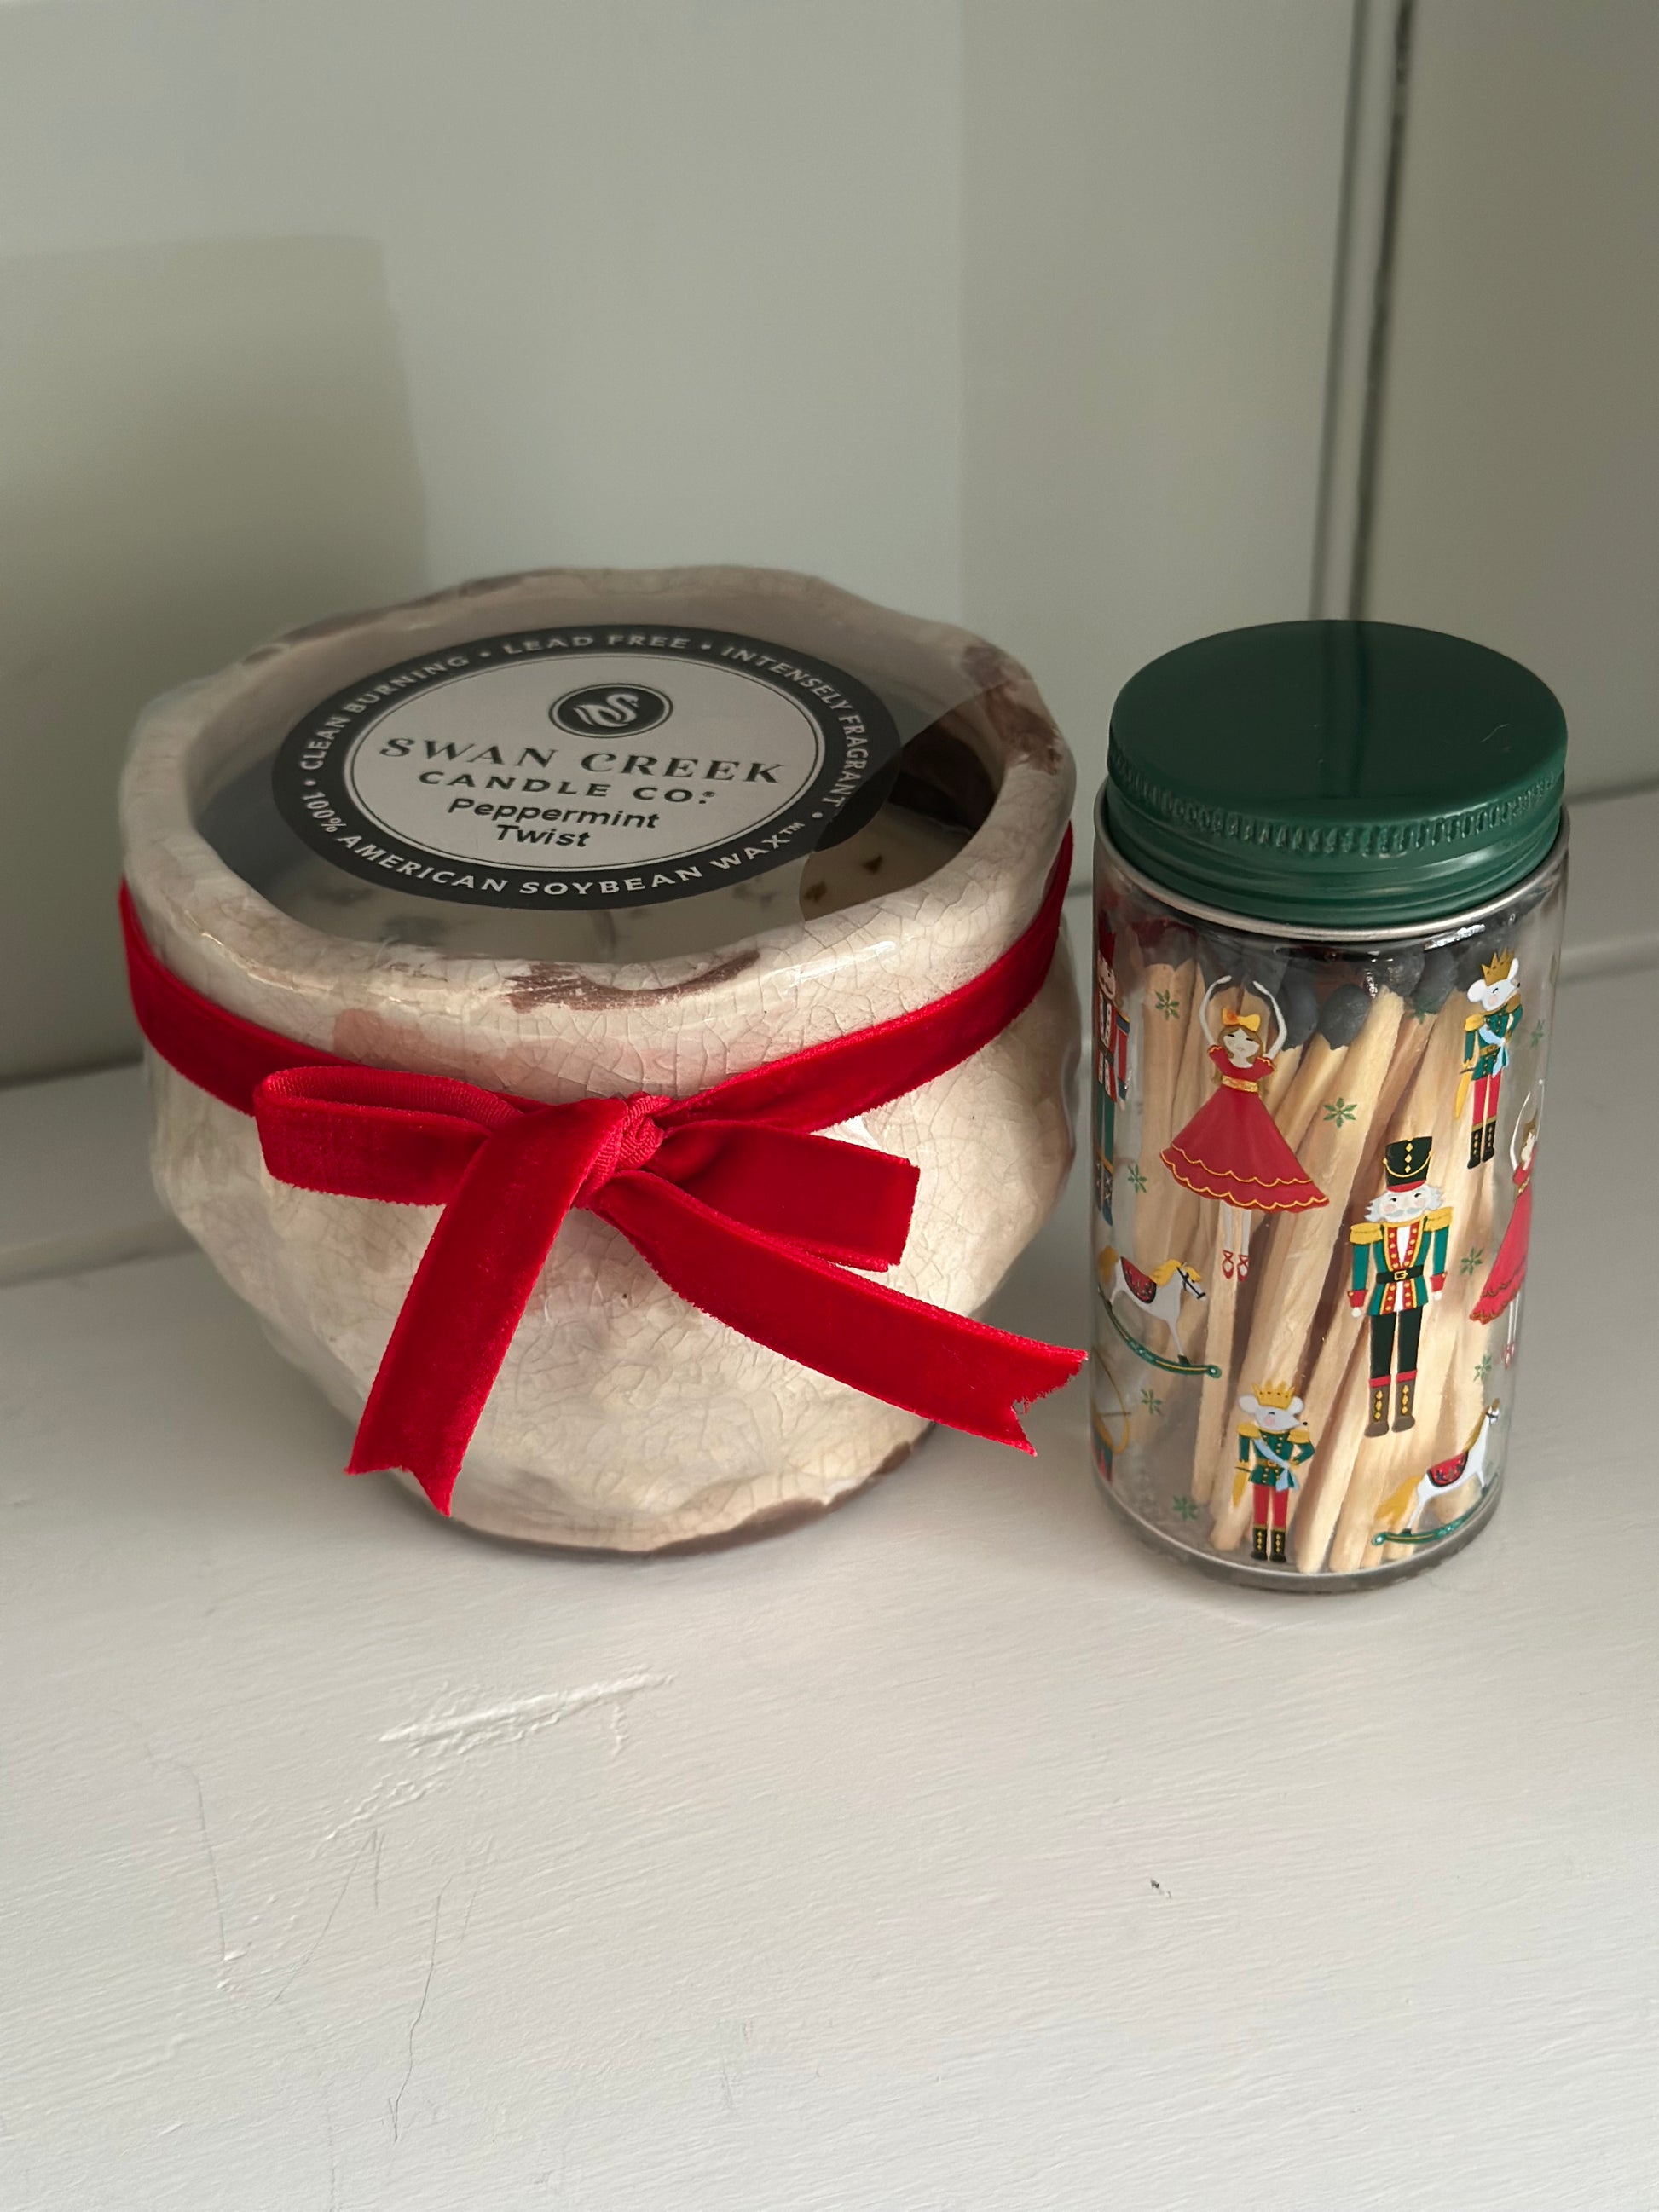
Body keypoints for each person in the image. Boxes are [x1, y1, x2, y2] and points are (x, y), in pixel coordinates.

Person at [1161, 979, 1326, 1279]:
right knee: (1226, 1190)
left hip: (1248, 1121)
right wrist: (1214, 990)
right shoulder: (1223, 1058)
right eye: (1234, 1038)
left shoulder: (1257, 1065)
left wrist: (1268, 999)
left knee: (1246, 1185)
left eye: (1247, 1041)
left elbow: (1282, 1038)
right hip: (1224, 1116)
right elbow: (1206, 1024)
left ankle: (1241, 1255)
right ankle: (1228, 1249)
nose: (1240, 1045)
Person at [1348, 1135, 1454, 1435]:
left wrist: (1437, 1283)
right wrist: (1358, 1298)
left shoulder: (1430, 1223)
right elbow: (1360, 1261)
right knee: (1379, 1356)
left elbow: (1440, 1248)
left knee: (1409, 1352)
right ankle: (1378, 1418)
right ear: (1386, 1202)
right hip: (1382, 1295)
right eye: (1396, 1200)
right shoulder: (1374, 1231)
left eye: (1416, 1198)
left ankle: (1404, 1413)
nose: (1406, 1206)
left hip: (1415, 1291)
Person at [1472, 1115, 1536, 1366]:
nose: (1529, 1144)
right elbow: (1514, 1165)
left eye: (1530, 1140)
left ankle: (1506, 1347)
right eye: (1528, 1140)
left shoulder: (1527, 1165)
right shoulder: (1522, 1163)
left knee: (1514, 1270)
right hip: (1519, 1210)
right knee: (1510, 1266)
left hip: (1520, 1211)